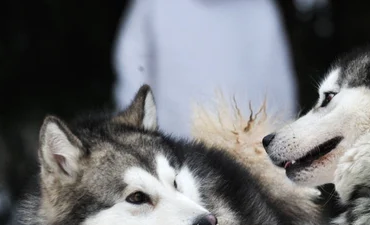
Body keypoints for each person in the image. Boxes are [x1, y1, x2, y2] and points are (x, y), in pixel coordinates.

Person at [114, 0, 297, 138]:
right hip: (174, 145)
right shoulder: (154, 5)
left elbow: (280, 90)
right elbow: (131, 68)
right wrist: (137, 131)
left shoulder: (260, 9)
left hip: (245, 153)